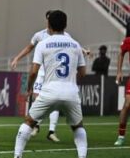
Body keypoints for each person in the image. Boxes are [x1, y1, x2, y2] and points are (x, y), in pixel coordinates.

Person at [13, 10, 87, 158]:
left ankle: (17, 155)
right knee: (78, 126)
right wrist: (71, 82)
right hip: (71, 92)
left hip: (49, 92)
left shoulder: (43, 43)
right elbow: (83, 73)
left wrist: (28, 88)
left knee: (29, 122)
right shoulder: (75, 44)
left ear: (49, 24)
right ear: (65, 25)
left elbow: (33, 72)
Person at [10, 10, 62, 142]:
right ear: (47, 20)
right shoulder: (39, 35)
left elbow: (74, 45)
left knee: (55, 102)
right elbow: (29, 48)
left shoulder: (63, 34)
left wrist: (84, 51)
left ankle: (51, 131)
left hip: (54, 73)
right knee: (38, 98)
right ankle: (36, 126)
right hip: (41, 72)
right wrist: (17, 58)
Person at [113, 19, 130, 146]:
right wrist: (119, 71)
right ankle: (121, 135)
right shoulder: (128, 41)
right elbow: (121, 54)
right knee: (128, 104)